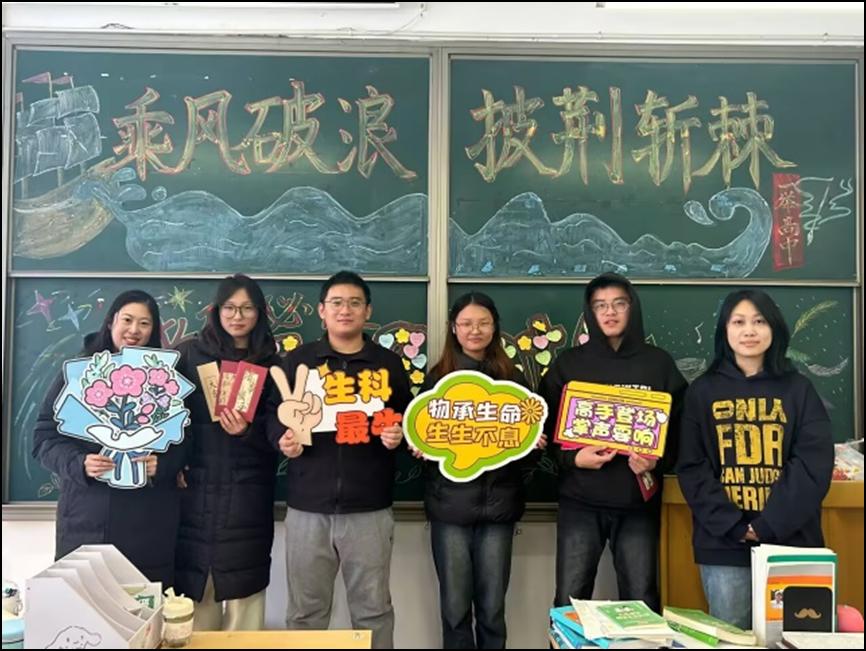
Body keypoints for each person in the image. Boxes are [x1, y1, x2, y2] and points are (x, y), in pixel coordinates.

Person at [265, 270, 412, 649]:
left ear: (367, 311)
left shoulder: (387, 365)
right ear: (322, 310)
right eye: (336, 303)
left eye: (354, 303)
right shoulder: (299, 361)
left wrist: (398, 434)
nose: (345, 310)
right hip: (307, 508)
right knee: (305, 613)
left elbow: (407, 417)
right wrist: (282, 438)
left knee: (373, 611)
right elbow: (272, 413)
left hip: (369, 508)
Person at [677, 288, 833, 629]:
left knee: (793, 637)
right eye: (739, 322)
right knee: (732, 636)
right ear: (725, 330)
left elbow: (812, 464)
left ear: (774, 328)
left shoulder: (799, 389)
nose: (749, 331)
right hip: (723, 545)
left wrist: (766, 525)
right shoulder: (702, 392)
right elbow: (692, 467)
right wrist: (734, 526)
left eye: (759, 321)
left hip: (792, 542)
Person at [540, 273, 687, 612]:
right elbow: (541, 431)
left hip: (637, 504)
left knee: (642, 600)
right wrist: (573, 459)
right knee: (569, 601)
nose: (610, 312)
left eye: (619, 304)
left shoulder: (658, 364)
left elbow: (681, 430)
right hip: (580, 502)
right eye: (600, 305)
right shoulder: (569, 365)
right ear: (590, 312)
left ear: (632, 307)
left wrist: (657, 461)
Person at [33, 289, 185, 586]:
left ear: (154, 330)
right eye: (127, 320)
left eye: (144, 323)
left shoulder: (167, 378)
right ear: (110, 322)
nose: (134, 330)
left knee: (143, 607)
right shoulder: (78, 373)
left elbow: (187, 441)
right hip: (87, 518)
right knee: (84, 606)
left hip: (150, 523)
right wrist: (79, 463)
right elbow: (44, 438)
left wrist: (163, 465)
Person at [419, 292, 545, 649]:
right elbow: (423, 443)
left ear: (495, 327)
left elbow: (527, 454)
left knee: (492, 610)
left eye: (483, 323)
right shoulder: (438, 380)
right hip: (450, 511)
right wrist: (420, 448)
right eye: (466, 323)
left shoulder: (513, 380)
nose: (475, 330)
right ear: (454, 329)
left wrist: (532, 445)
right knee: (455, 610)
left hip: (499, 510)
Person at [174, 274, 280, 631]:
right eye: (230, 308)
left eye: (247, 308)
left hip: (247, 496)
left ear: (259, 313)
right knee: (195, 595)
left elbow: (279, 433)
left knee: (244, 599)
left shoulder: (272, 363)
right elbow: (165, 418)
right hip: (194, 494)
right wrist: (174, 465)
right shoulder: (188, 355)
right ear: (216, 310)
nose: (238, 316)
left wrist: (247, 432)